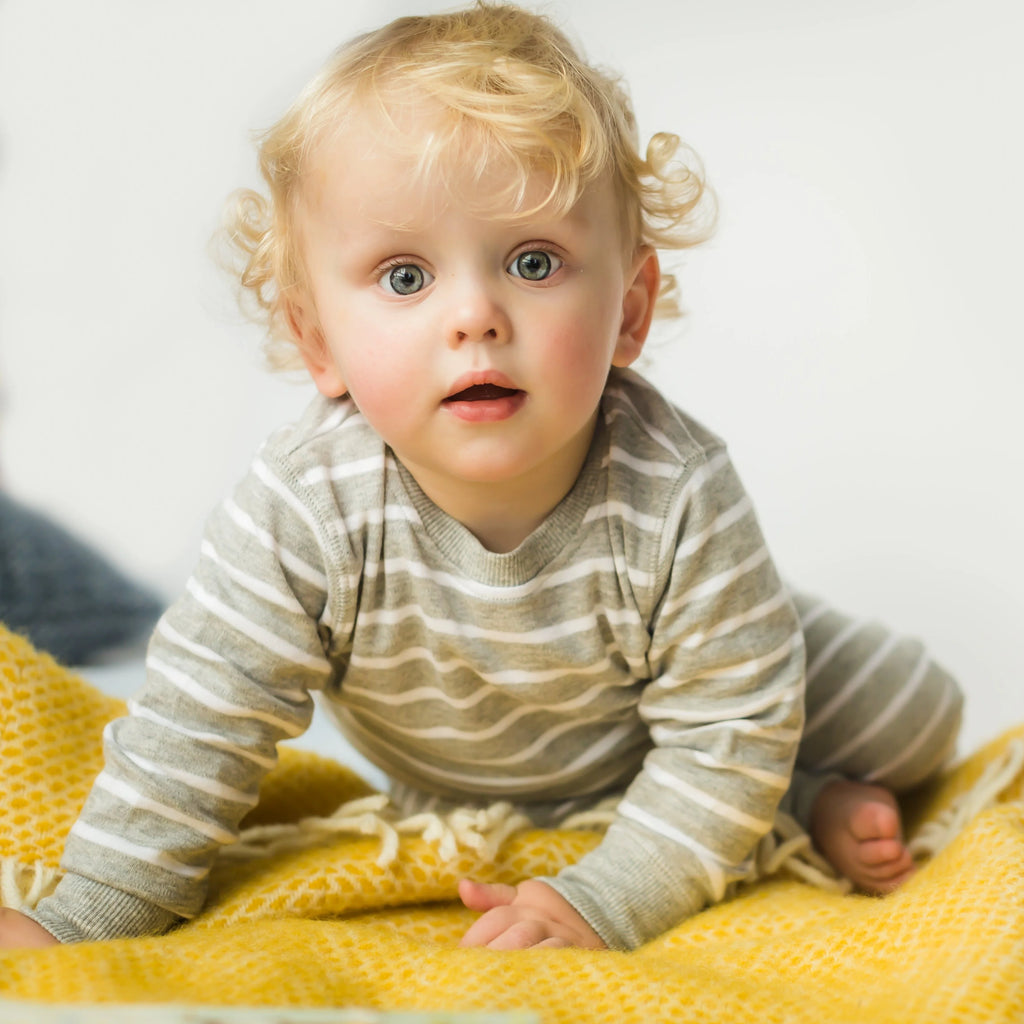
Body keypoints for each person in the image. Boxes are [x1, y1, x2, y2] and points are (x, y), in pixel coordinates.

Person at [0, 2, 962, 952]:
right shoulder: (305, 505)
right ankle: (789, 807)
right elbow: (199, 721)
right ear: (316, 340)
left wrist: (610, 899)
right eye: (406, 277)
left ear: (629, 312)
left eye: (534, 261)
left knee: (916, 724)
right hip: (485, 766)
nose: (474, 315)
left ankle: (787, 779)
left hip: (697, 682)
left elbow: (729, 732)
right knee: (618, 798)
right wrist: (90, 911)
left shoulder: (675, 490)